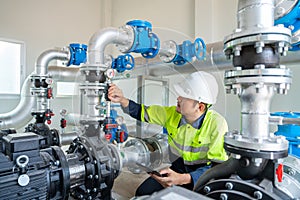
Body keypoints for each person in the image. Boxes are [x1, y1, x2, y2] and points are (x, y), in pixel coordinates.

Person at [108, 71, 228, 196]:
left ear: (200, 107)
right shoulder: (172, 114)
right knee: (142, 193)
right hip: (176, 169)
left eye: (184, 97)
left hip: (202, 177)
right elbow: (142, 111)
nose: (178, 98)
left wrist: (183, 179)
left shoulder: (217, 124)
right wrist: (122, 100)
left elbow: (217, 168)